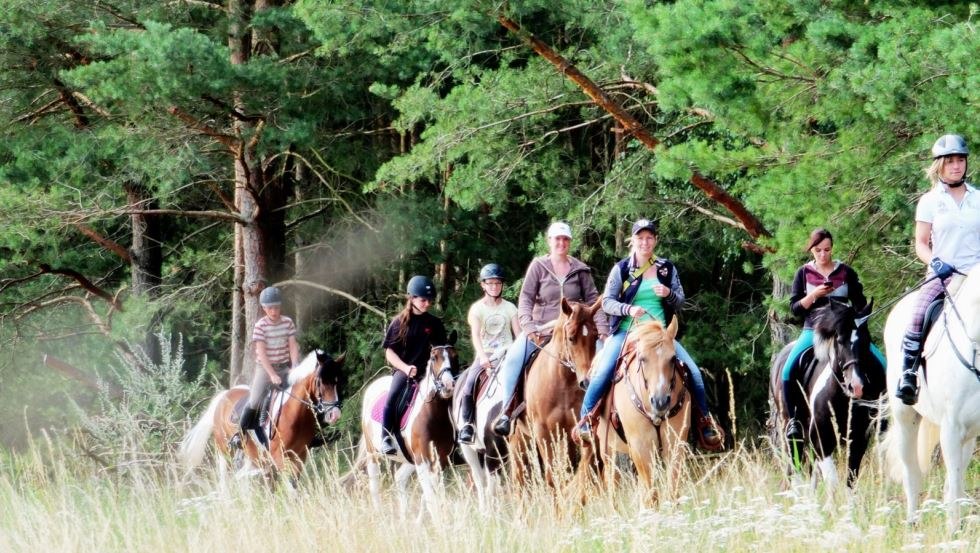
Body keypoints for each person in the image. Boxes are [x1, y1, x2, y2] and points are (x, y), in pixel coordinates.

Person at [575, 218, 724, 451]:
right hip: (628, 332)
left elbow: (680, 300)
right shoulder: (621, 269)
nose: (645, 242)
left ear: (655, 240)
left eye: (649, 238)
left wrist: (667, 293)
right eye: (640, 238)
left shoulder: (667, 268)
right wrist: (628, 309)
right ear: (633, 241)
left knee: (694, 372)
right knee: (603, 371)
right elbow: (607, 302)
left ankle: (704, 423)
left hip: (660, 336)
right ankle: (586, 420)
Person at [492, 221, 609, 436]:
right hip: (542, 328)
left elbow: (594, 301)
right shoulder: (538, 266)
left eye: (565, 239)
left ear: (570, 242)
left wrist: (602, 329)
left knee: (605, 359)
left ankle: (607, 413)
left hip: (575, 329)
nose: (561, 243)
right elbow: (526, 299)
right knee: (513, 358)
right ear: (549, 241)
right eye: (557, 239)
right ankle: (507, 411)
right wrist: (528, 326)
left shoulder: (581, 269)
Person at [896, 134, 980, 405]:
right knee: (919, 311)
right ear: (939, 165)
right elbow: (921, 243)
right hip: (944, 274)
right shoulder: (930, 201)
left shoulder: (978, 198)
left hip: (976, 273)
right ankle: (908, 373)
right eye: (950, 161)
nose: (956, 166)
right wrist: (935, 262)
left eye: (960, 160)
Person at [782, 228, 886, 440]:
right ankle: (793, 420)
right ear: (812, 250)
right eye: (818, 250)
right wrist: (814, 295)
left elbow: (860, 303)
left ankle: (881, 415)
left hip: (844, 331)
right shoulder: (803, 273)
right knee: (787, 371)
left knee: (883, 364)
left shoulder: (846, 272)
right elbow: (794, 309)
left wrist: (860, 314)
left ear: (832, 248)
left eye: (827, 250)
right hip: (813, 330)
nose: (823, 254)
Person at [380, 275, 448, 455]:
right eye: (423, 300)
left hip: (430, 372)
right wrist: (405, 368)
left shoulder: (435, 323)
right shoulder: (399, 322)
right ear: (411, 298)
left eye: (430, 301)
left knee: (449, 393)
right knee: (393, 395)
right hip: (405, 370)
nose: (427, 304)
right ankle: (385, 436)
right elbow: (389, 352)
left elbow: (442, 351)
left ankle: (454, 438)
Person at [457, 263, 520, 444]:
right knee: (469, 383)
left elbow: (518, 333)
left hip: (508, 352)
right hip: (487, 353)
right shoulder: (477, 309)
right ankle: (467, 425)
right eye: (490, 283)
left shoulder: (510, 308)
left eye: (498, 283)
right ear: (483, 285)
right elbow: (476, 335)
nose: (494, 286)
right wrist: (483, 356)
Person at [237, 286, 301, 444]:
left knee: (301, 394)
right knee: (254, 400)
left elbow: (293, 346)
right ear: (264, 308)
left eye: (277, 307)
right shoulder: (260, 326)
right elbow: (262, 353)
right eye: (270, 308)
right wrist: (272, 374)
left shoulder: (288, 323)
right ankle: (239, 435)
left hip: (284, 367)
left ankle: (308, 432)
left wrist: (294, 366)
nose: (274, 311)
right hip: (264, 369)